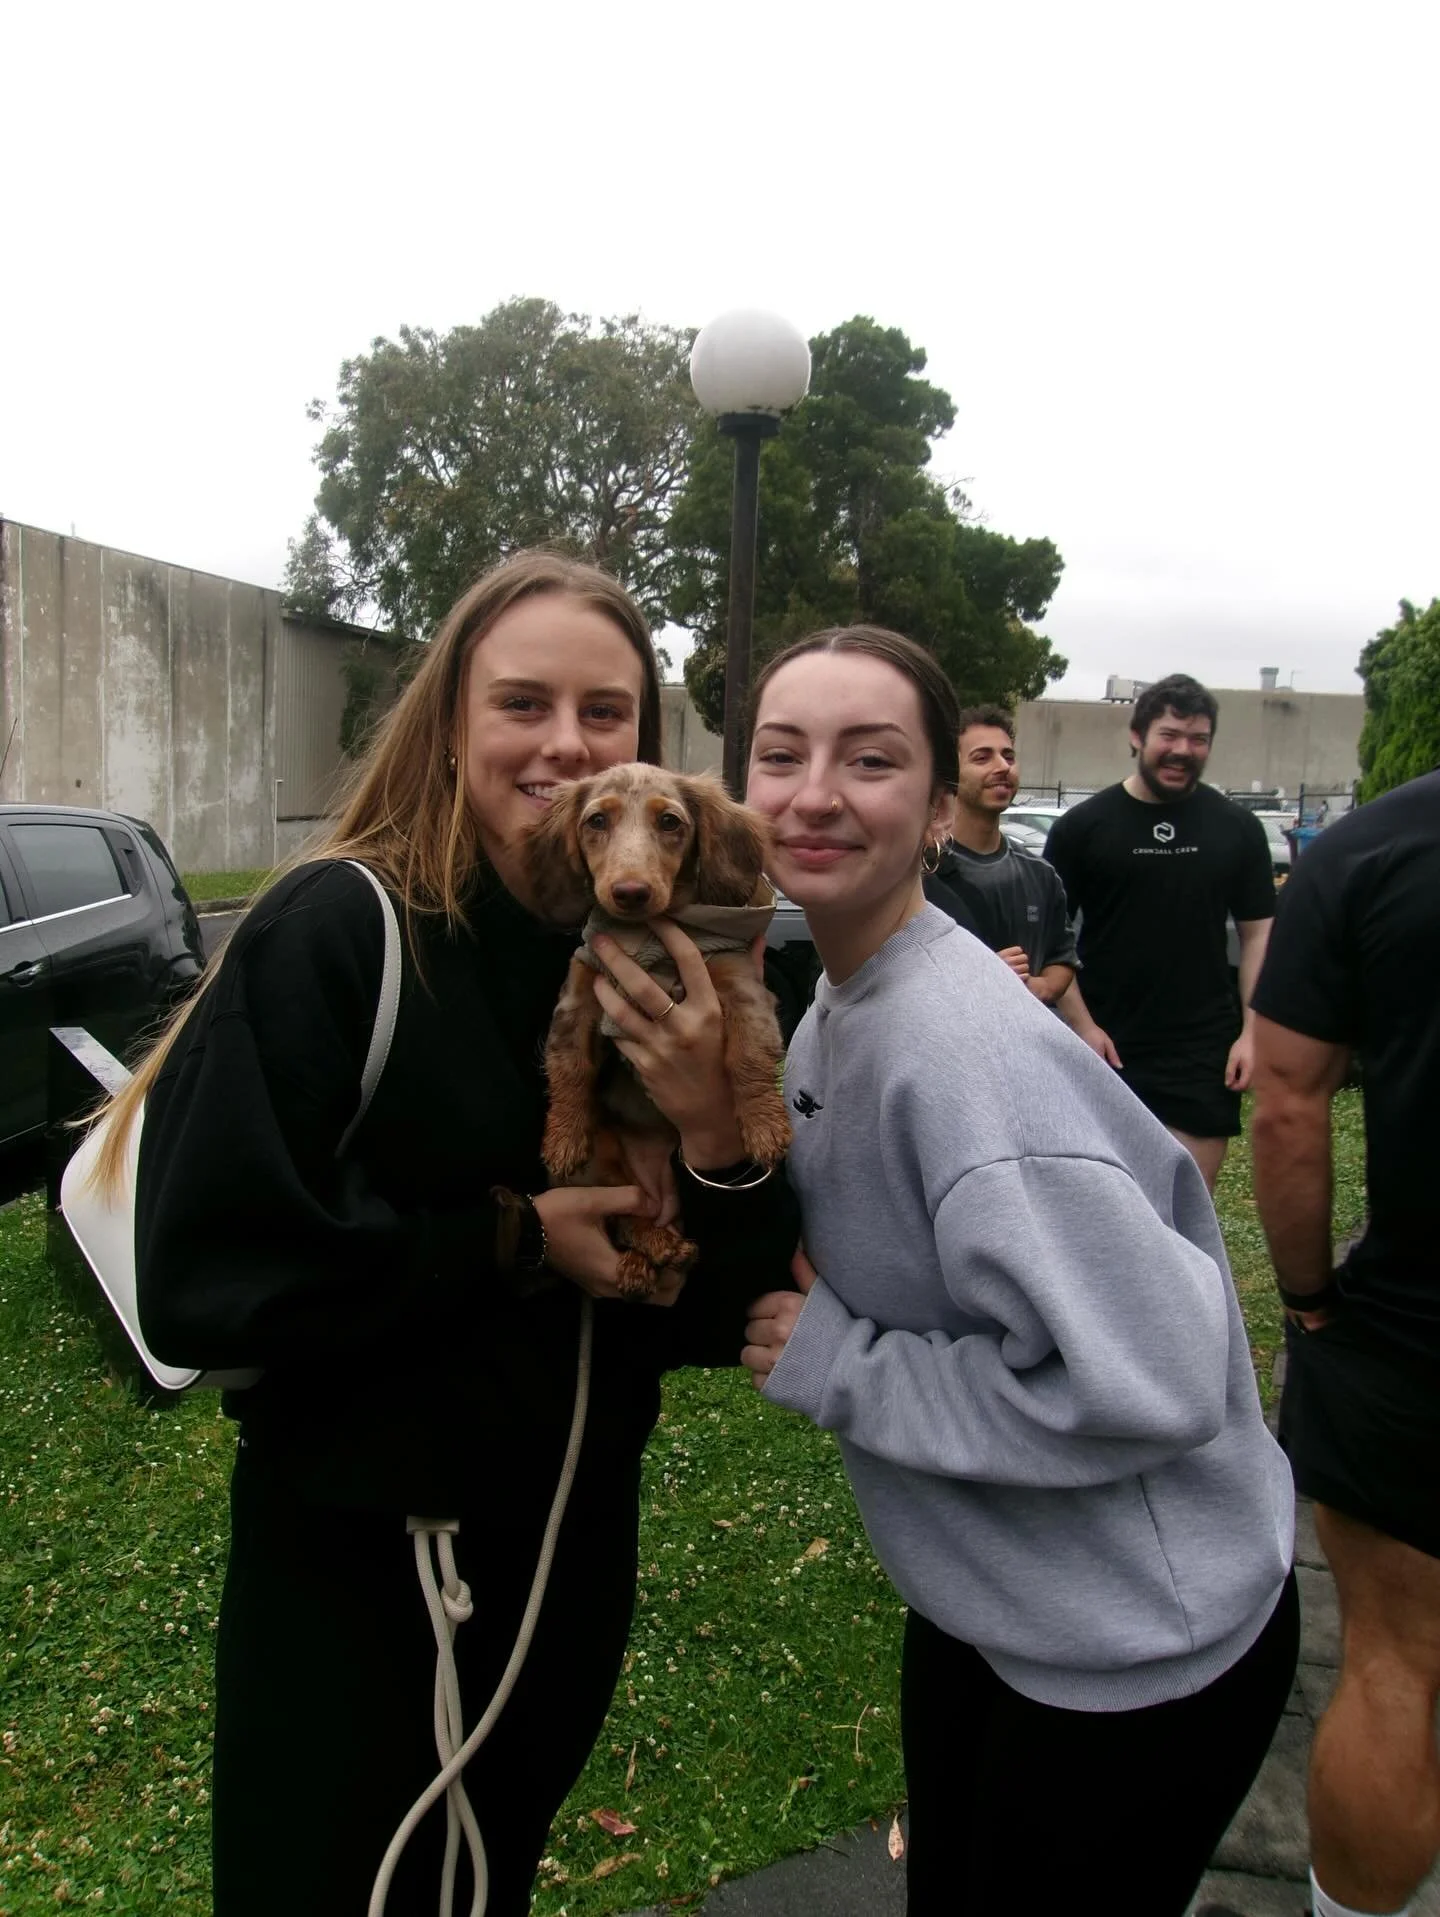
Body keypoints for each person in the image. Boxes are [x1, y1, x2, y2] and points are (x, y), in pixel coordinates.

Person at [106, 552, 798, 1916]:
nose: (565, 743)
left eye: (606, 713)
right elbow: (200, 1276)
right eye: (523, 702)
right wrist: (516, 1241)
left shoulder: (632, 958)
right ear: (452, 719)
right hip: (365, 1590)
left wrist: (712, 1131)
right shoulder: (341, 930)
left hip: (565, 1566)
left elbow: (723, 1317)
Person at [738, 626, 1297, 1916]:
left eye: (869, 760)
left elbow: (1154, 1380)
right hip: (999, 1610)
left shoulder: (962, 1055)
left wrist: (846, 1368)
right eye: (781, 753)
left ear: (939, 808)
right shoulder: (843, 1001)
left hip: (1141, 1650)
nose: (814, 791)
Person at [1250, 768, 1440, 1917]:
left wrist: (1311, 1297)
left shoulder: (1370, 850)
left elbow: (1286, 1097)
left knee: (1396, 1661)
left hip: (1414, 1325)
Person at [1043, 673, 1276, 1191]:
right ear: (1137, 736)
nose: (1182, 751)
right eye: (1169, 735)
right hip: (1107, 1042)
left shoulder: (1236, 828)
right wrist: (1082, 1026)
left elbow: (1259, 935)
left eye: (1198, 739)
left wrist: (1253, 1034)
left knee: (1187, 1208)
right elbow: (1049, 938)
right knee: (1110, 1208)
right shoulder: (1083, 828)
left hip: (1203, 1047)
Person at [925, 702, 1077, 1004]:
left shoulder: (1040, 874)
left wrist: (1041, 987)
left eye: (1009, 756)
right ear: (951, 772)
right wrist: (982, 976)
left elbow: (1061, 957)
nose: (1003, 767)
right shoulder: (917, 874)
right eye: (982, 758)